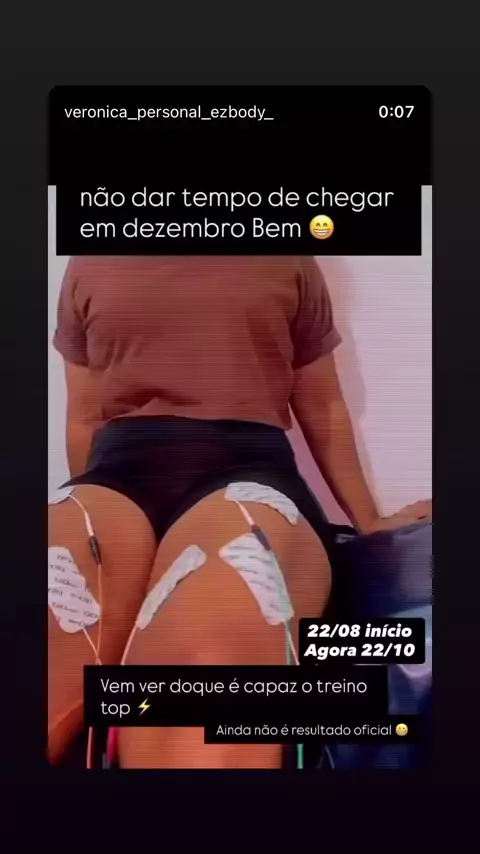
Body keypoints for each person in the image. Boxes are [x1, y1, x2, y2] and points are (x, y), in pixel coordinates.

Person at [48, 255, 430, 769]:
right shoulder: (91, 262)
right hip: (116, 478)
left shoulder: (286, 258)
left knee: (203, 692)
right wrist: (100, 538)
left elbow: (321, 404)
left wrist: (370, 522)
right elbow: (84, 414)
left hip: (249, 476)